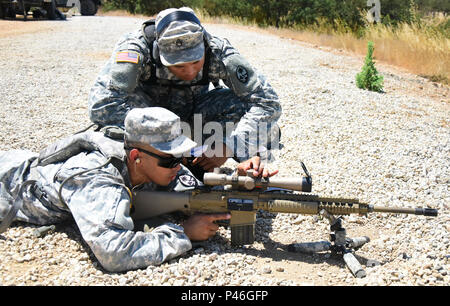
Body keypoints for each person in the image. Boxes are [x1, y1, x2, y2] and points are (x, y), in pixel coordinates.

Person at [0, 107, 272, 273]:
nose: (179, 165)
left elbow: (199, 195)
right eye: (169, 159)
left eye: (182, 156)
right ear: (135, 157)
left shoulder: (159, 164)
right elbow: (113, 253)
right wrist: (183, 233)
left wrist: (240, 182)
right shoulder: (95, 179)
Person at [88, 7, 282, 177]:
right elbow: (103, 107)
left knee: (265, 125)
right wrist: (169, 143)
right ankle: (158, 162)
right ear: (158, 52)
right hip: (149, 125)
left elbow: (267, 103)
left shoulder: (218, 51)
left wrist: (228, 146)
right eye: (178, 66)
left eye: (196, 62)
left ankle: (245, 164)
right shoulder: (137, 49)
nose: (189, 72)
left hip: (193, 121)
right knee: (112, 125)